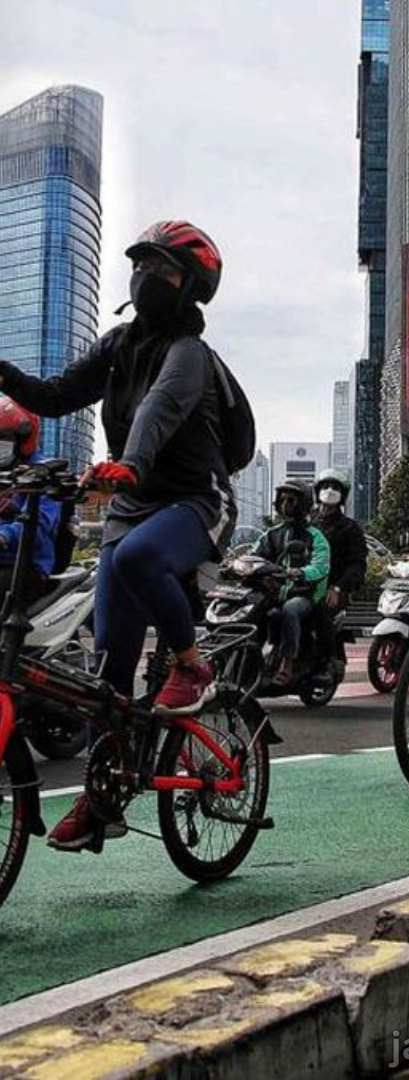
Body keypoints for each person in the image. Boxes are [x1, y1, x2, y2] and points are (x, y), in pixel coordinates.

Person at [0, 219, 235, 852]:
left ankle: (192, 664)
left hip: (194, 501)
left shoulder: (190, 355)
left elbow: (161, 408)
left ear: (190, 288)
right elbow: (54, 396)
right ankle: (104, 797)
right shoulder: (120, 344)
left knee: (135, 559)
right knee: (109, 676)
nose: (146, 279)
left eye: (162, 271)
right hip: (132, 508)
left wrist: (128, 463)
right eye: (142, 267)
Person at [254, 480, 330, 685]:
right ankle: (252, 661)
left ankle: (287, 664)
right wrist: (235, 564)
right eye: (283, 499)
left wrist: (300, 572)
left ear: (303, 503)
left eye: (291, 500)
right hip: (275, 594)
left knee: (289, 610)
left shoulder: (315, 536)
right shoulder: (271, 534)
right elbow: (254, 556)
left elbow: (321, 566)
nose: (285, 504)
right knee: (256, 609)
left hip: (303, 594)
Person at [0, 397, 62, 602]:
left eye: (4, 438)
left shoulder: (43, 473)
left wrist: (4, 536)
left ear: (22, 439)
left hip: (25, 566)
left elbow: (39, 523)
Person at [311, 467, 366, 670]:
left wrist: (338, 587)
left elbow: (358, 564)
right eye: (325, 486)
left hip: (333, 589)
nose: (330, 490)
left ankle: (327, 660)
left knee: (320, 610)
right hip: (303, 585)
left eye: (335, 487)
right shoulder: (308, 524)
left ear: (343, 495)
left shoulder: (351, 528)